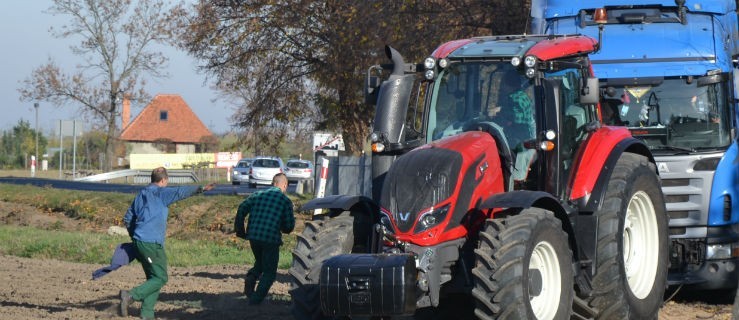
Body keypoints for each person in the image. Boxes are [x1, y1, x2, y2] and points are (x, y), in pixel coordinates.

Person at [119, 167, 215, 319]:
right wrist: (201, 188)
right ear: (163, 180)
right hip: (151, 243)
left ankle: (147, 314)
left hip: (140, 242)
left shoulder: (141, 194)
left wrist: (134, 236)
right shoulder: (161, 193)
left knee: (154, 278)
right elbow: (180, 192)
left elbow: (128, 218)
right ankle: (130, 296)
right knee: (161, 278)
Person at [234, 173, 295, 305]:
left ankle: (251, 277)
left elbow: (241, 208)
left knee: (261, 263)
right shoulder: (285, 201)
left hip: (253, 237)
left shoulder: (257, 195)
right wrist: (282, 227)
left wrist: (240, 231)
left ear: (273, 183)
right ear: (284, 185)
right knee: (269, 273)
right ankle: (255, 301)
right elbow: (289, 227)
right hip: (271, 239)